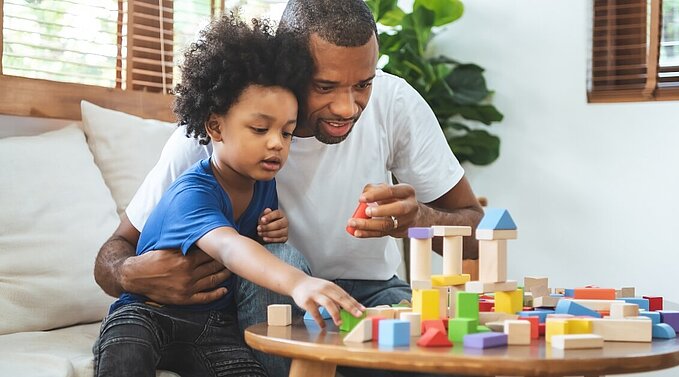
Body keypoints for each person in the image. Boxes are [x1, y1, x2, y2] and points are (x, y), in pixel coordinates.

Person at [94, 0, 483, 376]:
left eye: (363, 84)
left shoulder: (394, 103)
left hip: (370, 293)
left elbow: (475, 237)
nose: (348, 108)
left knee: (453, 364)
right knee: (281, 255)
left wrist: (419, 219)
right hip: (274, 296)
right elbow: (114, 253)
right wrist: (132, 275)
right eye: (325, 85)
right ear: (289, 68)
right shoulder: (220, 134)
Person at [92, 15, 363, 377]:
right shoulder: (192, 192)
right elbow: (230, 247)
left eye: (286, 133)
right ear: (215, 126)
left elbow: (247, 248)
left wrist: (270, 231)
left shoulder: (262, 180)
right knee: (126, 354)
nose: (276, 144)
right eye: (260, 128)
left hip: (212, 328)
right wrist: (299, 282)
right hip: (147, 315)